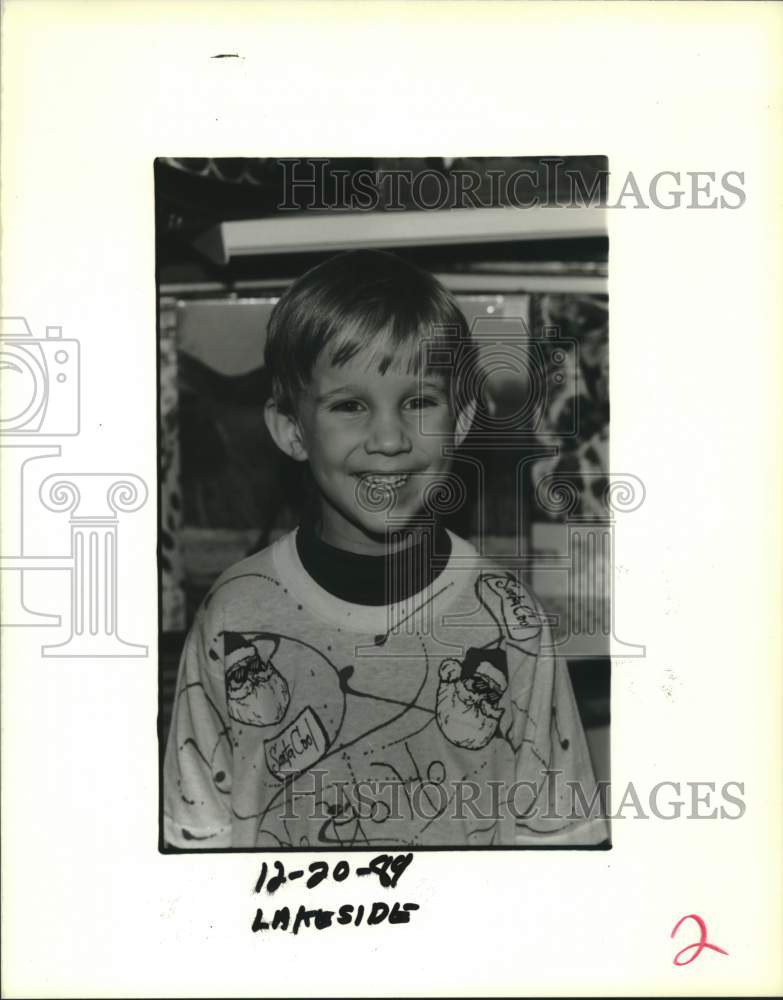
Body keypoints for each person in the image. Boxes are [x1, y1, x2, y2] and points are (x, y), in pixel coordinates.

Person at [163, 249, 608, 849]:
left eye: (419, 402)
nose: (391, 439)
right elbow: (197, 836)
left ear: (463, 419)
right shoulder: (234, 615)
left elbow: (561, 841)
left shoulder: (511, 623)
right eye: (350, 406)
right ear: (292, 430)